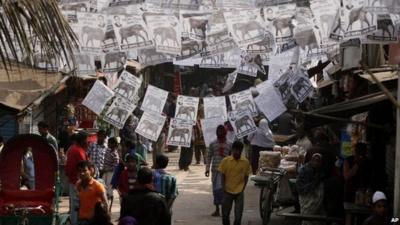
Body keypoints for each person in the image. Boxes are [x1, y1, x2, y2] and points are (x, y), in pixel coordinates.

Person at [218, 141, 251, 225]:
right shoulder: (225, 161)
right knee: (225, 214)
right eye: (235, 150)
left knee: (238, 214)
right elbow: (222, 175)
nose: (237, 152)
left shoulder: (246, 162)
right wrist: (223, 187)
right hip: (227, 190)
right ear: (232, 150)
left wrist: (243, 187)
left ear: (241, 150)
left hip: (239, 191)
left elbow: (246, 176)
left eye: (239, 150)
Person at [205, 125, 231, 217]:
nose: (220, 133)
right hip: (215, 170)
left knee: (224, 190)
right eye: (218, 131)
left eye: (221, 131)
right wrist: (207, 168)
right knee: (215, 190)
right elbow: (209, 156)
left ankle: (224, 209)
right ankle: (217, 209)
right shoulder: (213, 144)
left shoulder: (229, 144)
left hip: (226, 171)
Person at [65, 131, 89, 225]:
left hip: (77, 182)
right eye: (87, 140)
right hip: (77, 182)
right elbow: (70, 168)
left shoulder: (78, 149)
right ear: (83, 140)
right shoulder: (77, 150)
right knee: (76, 206)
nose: (88, 142)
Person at [76, 161, 108, 225]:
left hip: (94, 221)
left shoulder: (98, 186)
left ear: (90, 171)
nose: (82, 173)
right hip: (81, 220)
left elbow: (106, 204)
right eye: (79, 171)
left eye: (84, 170)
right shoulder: (78, 185)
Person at [296, 153, 324, 225]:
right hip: (305, 194)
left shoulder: (319, 171)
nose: (316, 162)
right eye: (315, 160)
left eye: (318, 161)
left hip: (311, 193)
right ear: (311, 160)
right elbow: (302, 187)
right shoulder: (306, 170)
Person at [102, 137, 119, 209]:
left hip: (110, 174)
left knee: (109, 190)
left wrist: (107, 169)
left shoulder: (115, 154)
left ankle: (110, 207)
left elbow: (115, 167)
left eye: (110, 143)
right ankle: (105, 205)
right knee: (103, 188)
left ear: (114, 144)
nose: (108, 144)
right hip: (105, 172)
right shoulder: (107, 151)